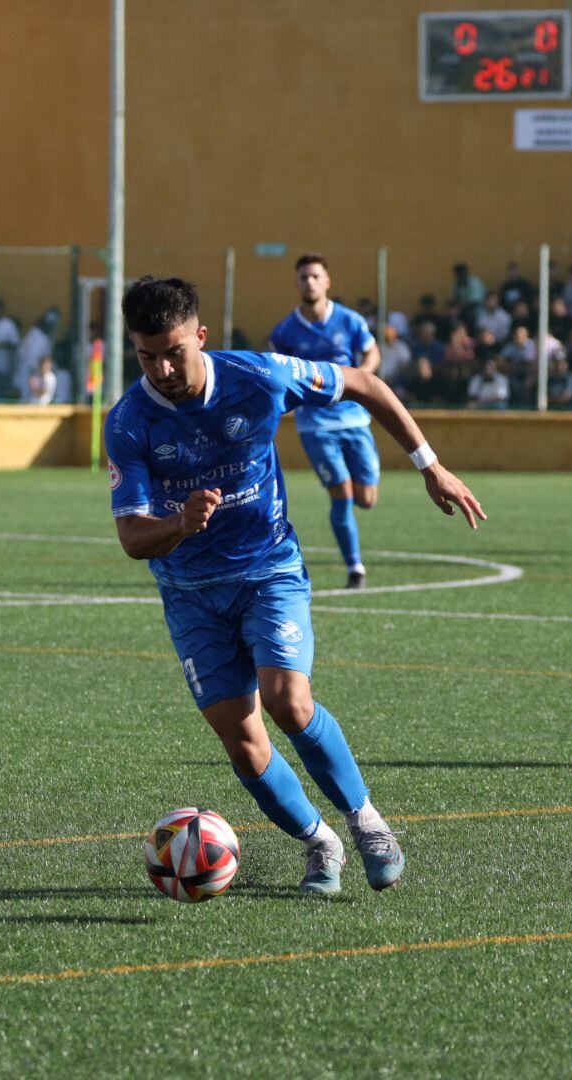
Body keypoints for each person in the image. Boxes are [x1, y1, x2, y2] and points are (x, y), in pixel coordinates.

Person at [105, 275, 484, 894]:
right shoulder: (129, 421)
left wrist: (430, 466)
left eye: (174, 351)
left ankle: (367, 823)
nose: (163, 369)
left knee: (288, 700)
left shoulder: (260, 377)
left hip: (268, 569)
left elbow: (365, 384)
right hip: (190, 592)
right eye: (148, 356)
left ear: (200, 336)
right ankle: (319, 842)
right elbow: (130, 537)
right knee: (245, 744)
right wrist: (179, 522)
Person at [268, 253, 383, 589]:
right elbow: (276, 371)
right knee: (342, 493)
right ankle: (355, 568)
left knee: (367, 499)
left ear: (327, 281)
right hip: (315, 426)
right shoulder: (285, 331)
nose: (310, 282)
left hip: (354, 420)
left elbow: (371, 352)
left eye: (315, 276)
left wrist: (361, 378)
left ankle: (354, 558)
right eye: (304, 277)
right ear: (297, 283)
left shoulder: (349, 321)